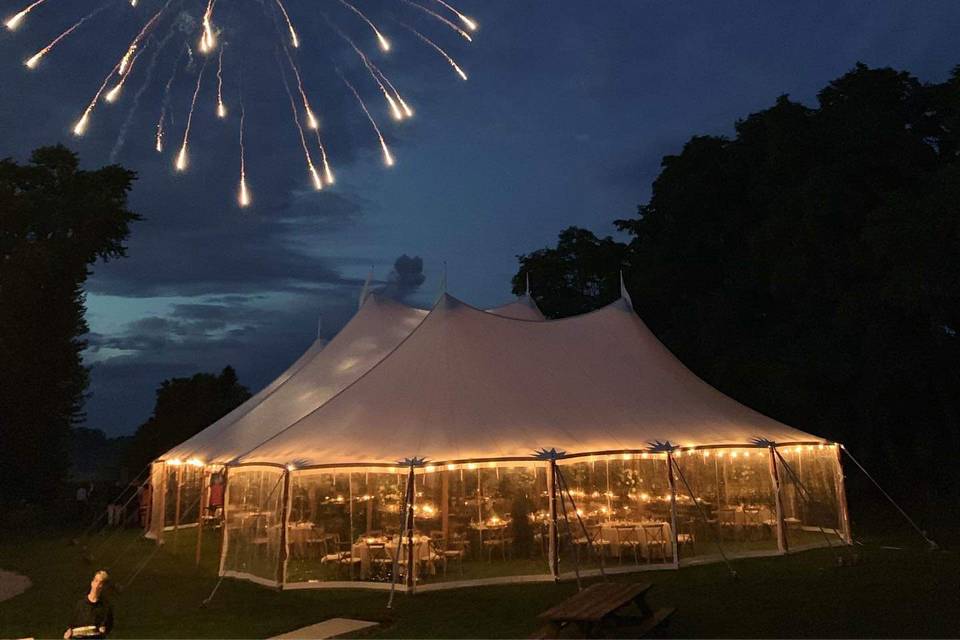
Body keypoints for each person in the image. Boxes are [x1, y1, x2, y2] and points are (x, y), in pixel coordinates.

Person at [64, 570, 114, 639]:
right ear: (92, 583)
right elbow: (71, 625)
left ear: (103, 587)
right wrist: (68, 632)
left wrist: (104, 630)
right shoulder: (80, 604)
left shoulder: (106, 607)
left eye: (100, 583)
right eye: (96, 581)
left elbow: (109, 626)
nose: (97, 585)